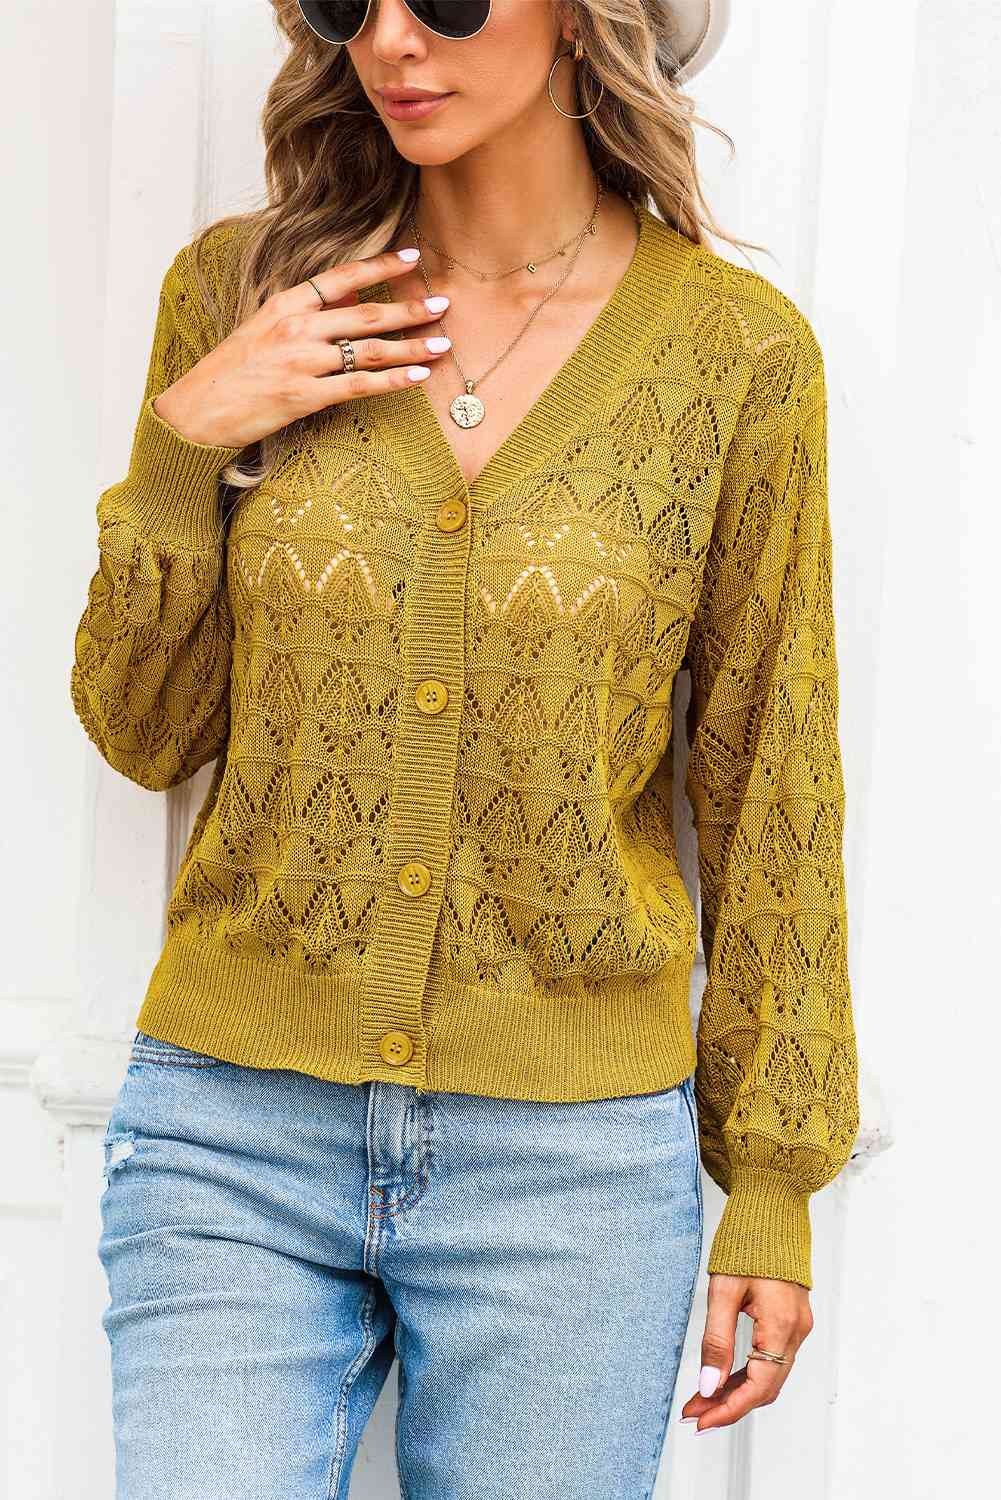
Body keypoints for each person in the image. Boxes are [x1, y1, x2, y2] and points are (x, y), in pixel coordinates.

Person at [72, 2, 860, 1495]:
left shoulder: (735, 357)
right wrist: (184, 447)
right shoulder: (241, 296)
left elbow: (775, 775)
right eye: (344, 0)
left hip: (571, 1174)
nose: (389, 40)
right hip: (231, 1136)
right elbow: (142, 728)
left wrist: (771, 1177)